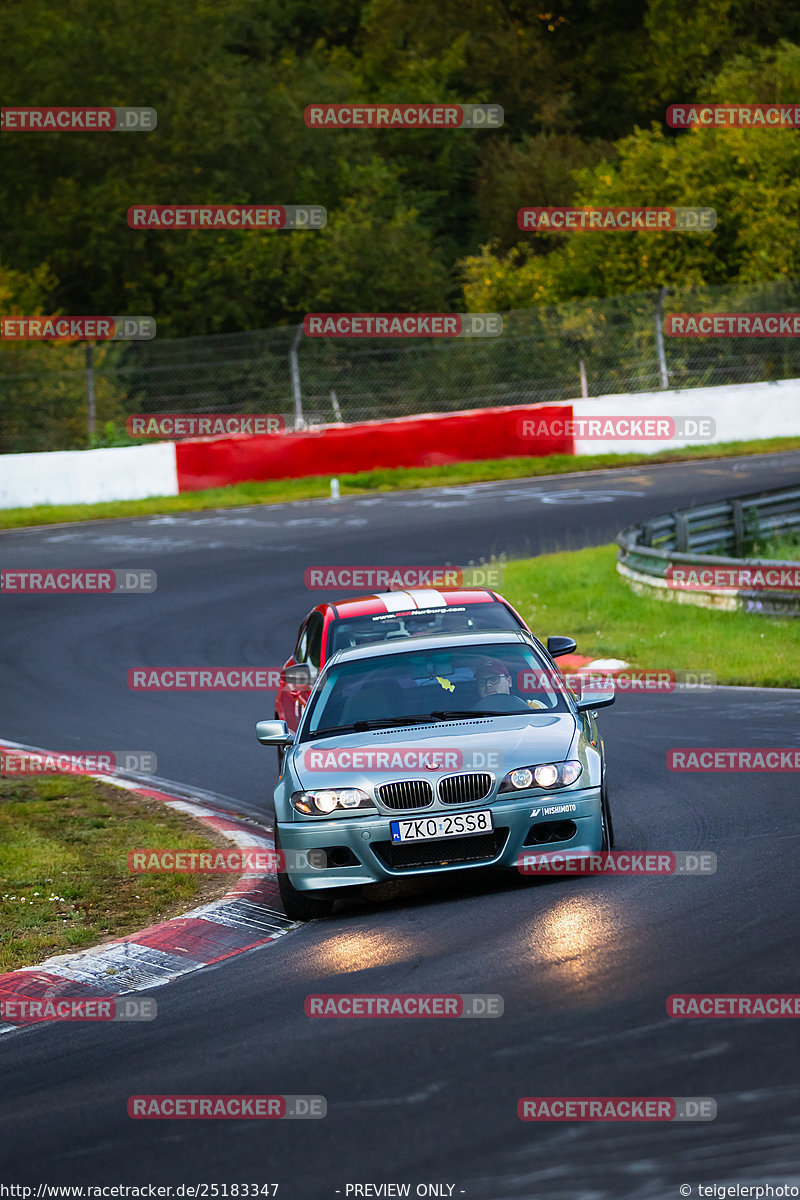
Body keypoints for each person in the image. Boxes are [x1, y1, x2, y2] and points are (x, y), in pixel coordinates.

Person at [473, 656, 548, 711]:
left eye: (494, 679)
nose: (488, 684)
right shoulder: (468, 715)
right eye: (482, 681)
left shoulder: (533, 707)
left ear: (509, 681)